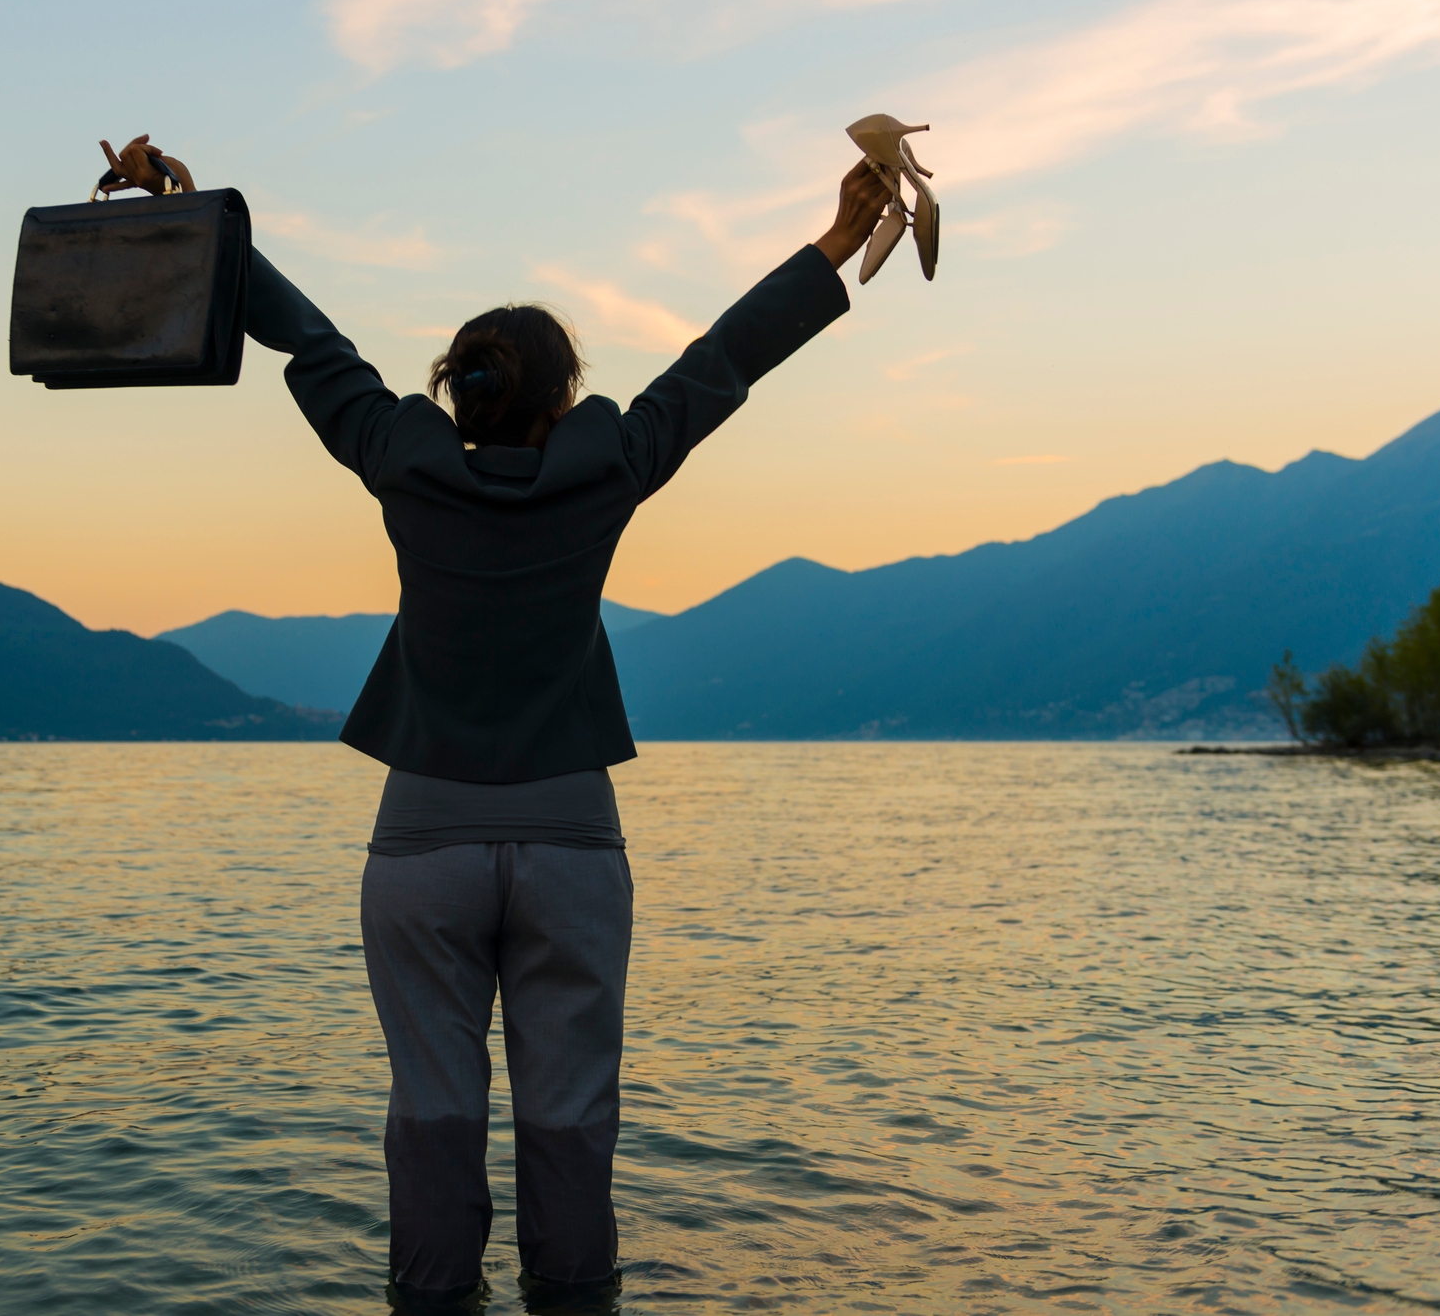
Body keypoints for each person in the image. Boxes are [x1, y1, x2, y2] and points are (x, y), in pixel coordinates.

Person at [129, 134, 889, 1305]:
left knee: (433, 1112)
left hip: (420, 841)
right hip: (571, 837)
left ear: (459, 390)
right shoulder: (610, 463)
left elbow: (307, 339)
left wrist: (198, 222)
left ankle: (433, 1298)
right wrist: (836, 241)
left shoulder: (403, 459)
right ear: (562, 399)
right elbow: (725, 356)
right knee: (571, 1115)